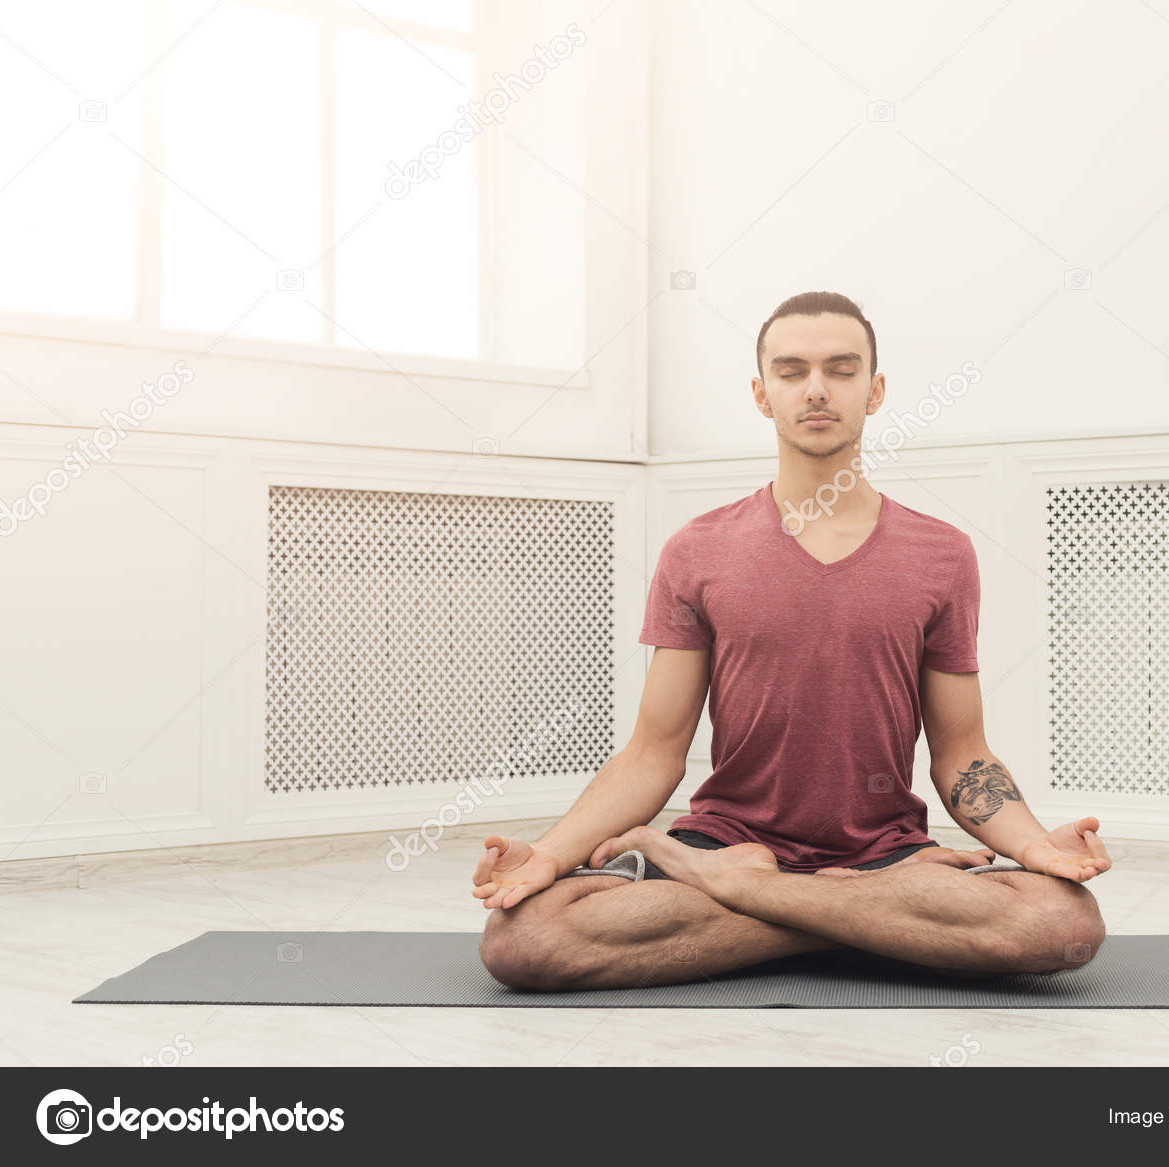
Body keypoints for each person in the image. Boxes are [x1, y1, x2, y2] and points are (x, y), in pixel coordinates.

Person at [474, 291, 1110, 990]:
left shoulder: (944, 554)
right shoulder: (698, 550)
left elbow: (963, 752)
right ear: (761, 392)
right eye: (791, 370)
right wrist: (550, 854)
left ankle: (755, 898)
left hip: (881, 854)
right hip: (726, 841)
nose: (815, 389)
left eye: (841, 370)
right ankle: (867, 927)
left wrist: (1032, 844)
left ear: (875, 391)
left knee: (1064, 923)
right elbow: (654, 750)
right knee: (525, 938)